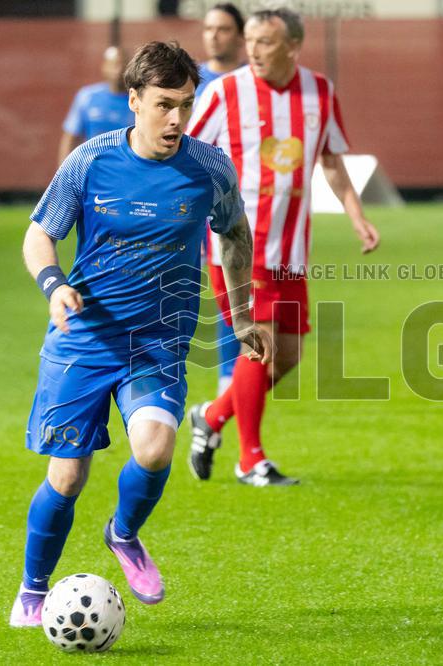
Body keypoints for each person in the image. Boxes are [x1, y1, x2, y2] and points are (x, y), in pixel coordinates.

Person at [9, 41, 269, 627]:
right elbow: (37, 236)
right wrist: (54, 286)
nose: (176, 119)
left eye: (185, 104)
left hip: (156, 343)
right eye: (163, 105)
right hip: (85, 338)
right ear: (133, 101)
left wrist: (244, 314)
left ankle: (123, 534)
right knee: (67, 475)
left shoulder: (208, 168)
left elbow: (235, 237)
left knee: (153, 451)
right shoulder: (89, 162)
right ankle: (32, 588)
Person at [186, 8, 380, 487]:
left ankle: (211, 417)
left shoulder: (319, 91)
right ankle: (251, 459)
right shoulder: (225, 93)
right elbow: (188, 154)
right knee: (261, 347)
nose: (253, 49)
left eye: (265, 42)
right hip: (241, 249)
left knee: (288, 356)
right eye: (249, 39)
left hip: (291, 251)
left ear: (293, 46)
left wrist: (356, 214)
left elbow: (332, 160)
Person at [195, 2, 246, 395]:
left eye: (223, 28)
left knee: (240, 291)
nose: (214, 35)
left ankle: (230, 383)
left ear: (240, 36)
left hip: (247, 207)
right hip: (197, 207)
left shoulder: (252, 85)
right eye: (209, 27)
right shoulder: (189, 83)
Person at [58, 46, 131, 164]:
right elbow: (70, 137)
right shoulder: (87, 97)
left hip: (126, 169)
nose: (118, 70)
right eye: (114, 65)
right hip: (93, 168)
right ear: (104, 67)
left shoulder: (138, 100)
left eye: (123, 65)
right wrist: (62, 171)